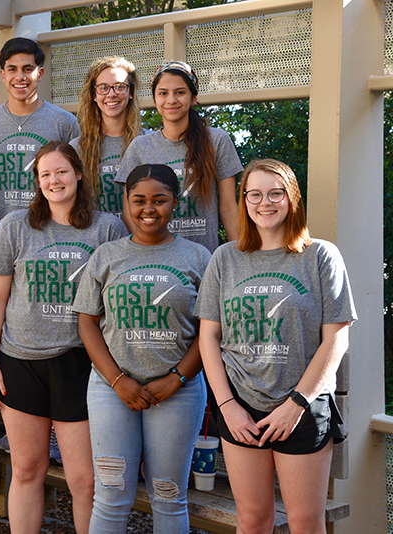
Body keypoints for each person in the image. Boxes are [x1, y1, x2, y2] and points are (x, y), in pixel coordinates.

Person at [195, 159, 356, 534]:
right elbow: (208, 337)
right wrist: (227, 406)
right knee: (252, 521)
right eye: (254, 194)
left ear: (292, 198)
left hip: (302, 404)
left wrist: (297, 404)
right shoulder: (225, 258)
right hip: (241, 408)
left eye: (275, 193)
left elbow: (337, 336)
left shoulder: (320, 256)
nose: (264, 203)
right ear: (244, 200)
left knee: (304, 523)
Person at [0, 142, 127, 534]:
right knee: (27, 469)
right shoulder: (15, 226)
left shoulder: (107, 228)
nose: (53, 180)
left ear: (78, 173)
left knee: (85, 480)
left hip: (79, 363)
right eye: (44, 174)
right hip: (20, 360)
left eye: (61, 171)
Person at [74, 164, 211, 533]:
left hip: (177, 392)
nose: (148, 209)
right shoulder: (106, 255)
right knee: (111, 492)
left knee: (168, 495)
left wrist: (177, 378)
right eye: (139, 200)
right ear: (125, 203)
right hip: (111, 388)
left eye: (159, 200)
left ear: (175, 203)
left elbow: (209, 332)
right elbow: (87, 321)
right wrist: (117, 380)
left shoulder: (199, 258)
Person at [115, 60, 242, 253]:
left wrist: (241, 256)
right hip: (157, 259)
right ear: (155, 99)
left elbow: (228, 208)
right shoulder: (140, 147)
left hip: (205, 259)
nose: (171, 100)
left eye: (180, 92)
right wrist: (144, 255)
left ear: (193, 97)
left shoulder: (216, 141)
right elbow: (129, 213)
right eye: (163, 93)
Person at [0, 37, 80, 221]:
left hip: (51, 228)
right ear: (3, 74)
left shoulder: (64, 122)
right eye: (12, 69)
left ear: (40, 73)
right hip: (1, 228)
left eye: (28, 69)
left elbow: (76, 180)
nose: (20, 77)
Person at [71, 56, 142, 219]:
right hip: (97, 241)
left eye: (120, 87)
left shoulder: (148, 142)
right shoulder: (77, 149)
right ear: (94, 94)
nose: (111, 94)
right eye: (103, 88)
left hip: (140, 241)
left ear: (130, 92)